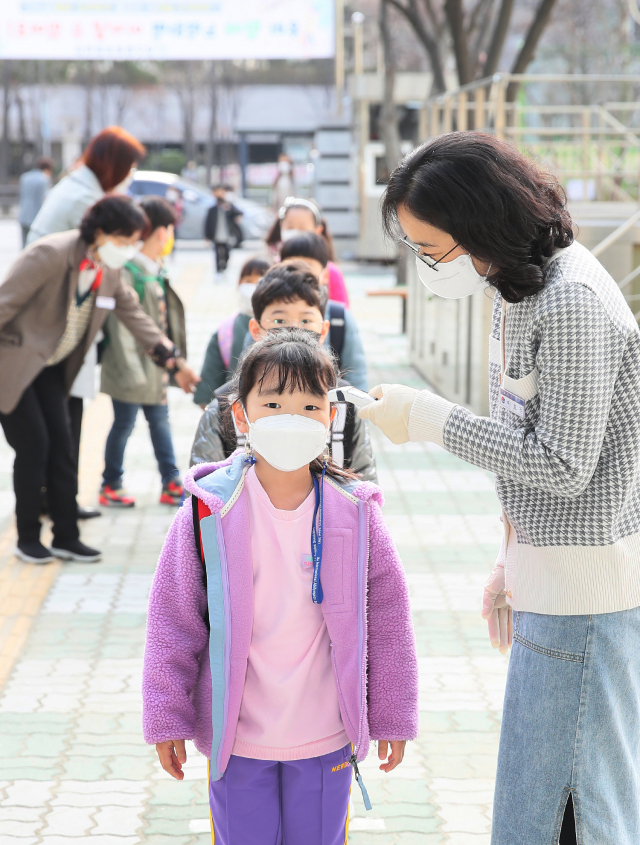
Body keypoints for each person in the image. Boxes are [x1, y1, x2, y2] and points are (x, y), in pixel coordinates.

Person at [359, 131, 640, 845]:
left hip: (587, 597)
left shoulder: (571, 299)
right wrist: (509, 558)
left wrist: (430, 419)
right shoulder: (517, 287)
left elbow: (562, 465)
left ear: (479, 224)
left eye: (433, 248)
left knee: (574, 805)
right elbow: (527, 446)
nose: (428, 266)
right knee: (542, 799)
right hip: (552, 584)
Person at [142, 330, 418, 844]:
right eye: (273, 402)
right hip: (238, 739)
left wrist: (393, 714)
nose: (292, 418)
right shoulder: (210, 511)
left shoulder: (356, 512)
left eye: (310, 404)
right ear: (241, 416)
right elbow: (173, 617)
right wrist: (167, 717)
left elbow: (388, 616)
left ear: (332, 416)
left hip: (327, 738)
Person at [0, 195, 200, 564]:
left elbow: (136, 316)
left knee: (62, 447)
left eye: (132, 242)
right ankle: (27, 537)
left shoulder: (108, 270)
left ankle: (65, 536)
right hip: (12, 364)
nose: (127, 250)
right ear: (100, 233)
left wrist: (175, 362)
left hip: (50, 368)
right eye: (122, 241)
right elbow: (4, 304)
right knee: (34, 448)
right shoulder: (50, 254)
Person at [27, 126, 147, 519]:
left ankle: (57, 500)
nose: (129, 172)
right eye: (128, 165)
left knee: (63, 422)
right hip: (56, 322)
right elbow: (111, 262)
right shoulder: (86, 198)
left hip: (60, 319)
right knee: (63, 423)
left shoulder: (77, 185)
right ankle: (57, 503)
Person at [190, 263, 377, 482]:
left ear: (324, 330)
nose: (294, 329)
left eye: (306, 320)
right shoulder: (224, 406)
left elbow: (366, 489)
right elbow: (201, 493)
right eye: (279, 321)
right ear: (256, 329)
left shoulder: (347, 406)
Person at [99, 197, 186, 508]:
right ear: (162, 232)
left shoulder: (151, 268)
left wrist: (175, 362)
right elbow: (121, 329)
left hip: (155, 368)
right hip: (131, 369)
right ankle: (111, 483)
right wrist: (132, 372)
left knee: (160, 421)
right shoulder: (129, 271)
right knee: (124, 423)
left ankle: (171, 482)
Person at [279, 232, 368, 390]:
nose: (299, 275)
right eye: (291, 267)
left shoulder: (339, 318)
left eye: (307, 267)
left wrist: (359, 412)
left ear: (324, 274)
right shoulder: (266, 315)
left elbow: (357, 378)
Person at [193, 256, 270, 408]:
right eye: (248, 280)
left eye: (260, 281)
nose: (253, 286)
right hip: (234, 418)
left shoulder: (278, 326)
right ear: (239, 283)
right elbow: (208, 383)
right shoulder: (226, 330)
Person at [265, 196, 350, 306]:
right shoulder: (272, 267)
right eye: (290, 227)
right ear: (281, 227)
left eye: (302, 228)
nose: (295, 232)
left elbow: (342, 312)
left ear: (317, 230)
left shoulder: (330, 272)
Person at [204, 185, 243, 275]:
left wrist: (229, 209)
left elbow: (239, 213)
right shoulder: (212, 209)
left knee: (227, 252)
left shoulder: (228, 207)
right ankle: (218, 270)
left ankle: (224, 267)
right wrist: (207, 236)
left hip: (227, 235)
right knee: (217, 253)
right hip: (216, 235)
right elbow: (207, 223)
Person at [18, 157, 53, 246]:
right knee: (34, 245)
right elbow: (44, 199)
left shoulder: (25, 177)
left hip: (23, 214)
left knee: (24, 245)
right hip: (36, 217)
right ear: (47, 169)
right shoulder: (44, 179)